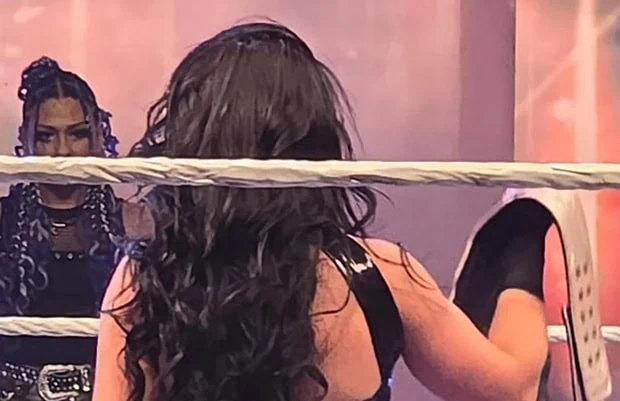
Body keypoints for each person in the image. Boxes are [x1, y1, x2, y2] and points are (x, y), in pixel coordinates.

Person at [93, 22, 551, 401]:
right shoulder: (380, 275)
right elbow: (512, 389)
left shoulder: (145, 282)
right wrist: (524, 255)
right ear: (316, 144)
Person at [0, 57, 153, 401]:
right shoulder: (3, 221)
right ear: (25, 139)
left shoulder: (135, 223)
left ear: (99, 134)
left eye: (77, 134)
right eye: (46, 136)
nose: (63, 151)